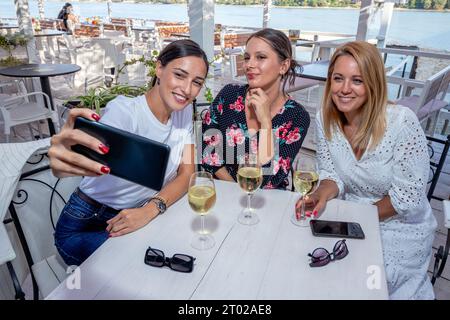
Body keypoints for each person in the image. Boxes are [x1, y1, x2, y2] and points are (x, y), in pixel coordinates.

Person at [296, 41, 437, 299]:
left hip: (400, 227)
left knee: (363, 284)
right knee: (312, 269)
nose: (345, 89)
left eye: (357, 80)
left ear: (373, 84)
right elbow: (331, 175)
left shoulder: (402, 122)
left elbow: (406, 199)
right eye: (338, 79)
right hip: (352, 215)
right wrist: (320, 195)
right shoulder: (324, 119)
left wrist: (355, 218)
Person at [49, 40, 209, 266]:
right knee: (149, 268)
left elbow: (187, 174)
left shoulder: (182, 111)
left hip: (136, 214)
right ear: (159, 68)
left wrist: (150, 210)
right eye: (180, 75)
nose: (187, 89)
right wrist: (63, 158)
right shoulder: (124, 112)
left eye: (196, 82)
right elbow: (80, 158)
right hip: (87, 222)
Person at [201, 28, 310, 190]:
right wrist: (235, 190)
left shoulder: (297, 116)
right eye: (247, 57)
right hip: (224, 191)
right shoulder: (229, 95)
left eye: (260, 57)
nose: (249, 65)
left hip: (267, 203)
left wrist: (266, 123)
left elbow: (270, 181)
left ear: (283, 66)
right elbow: (207, 151)